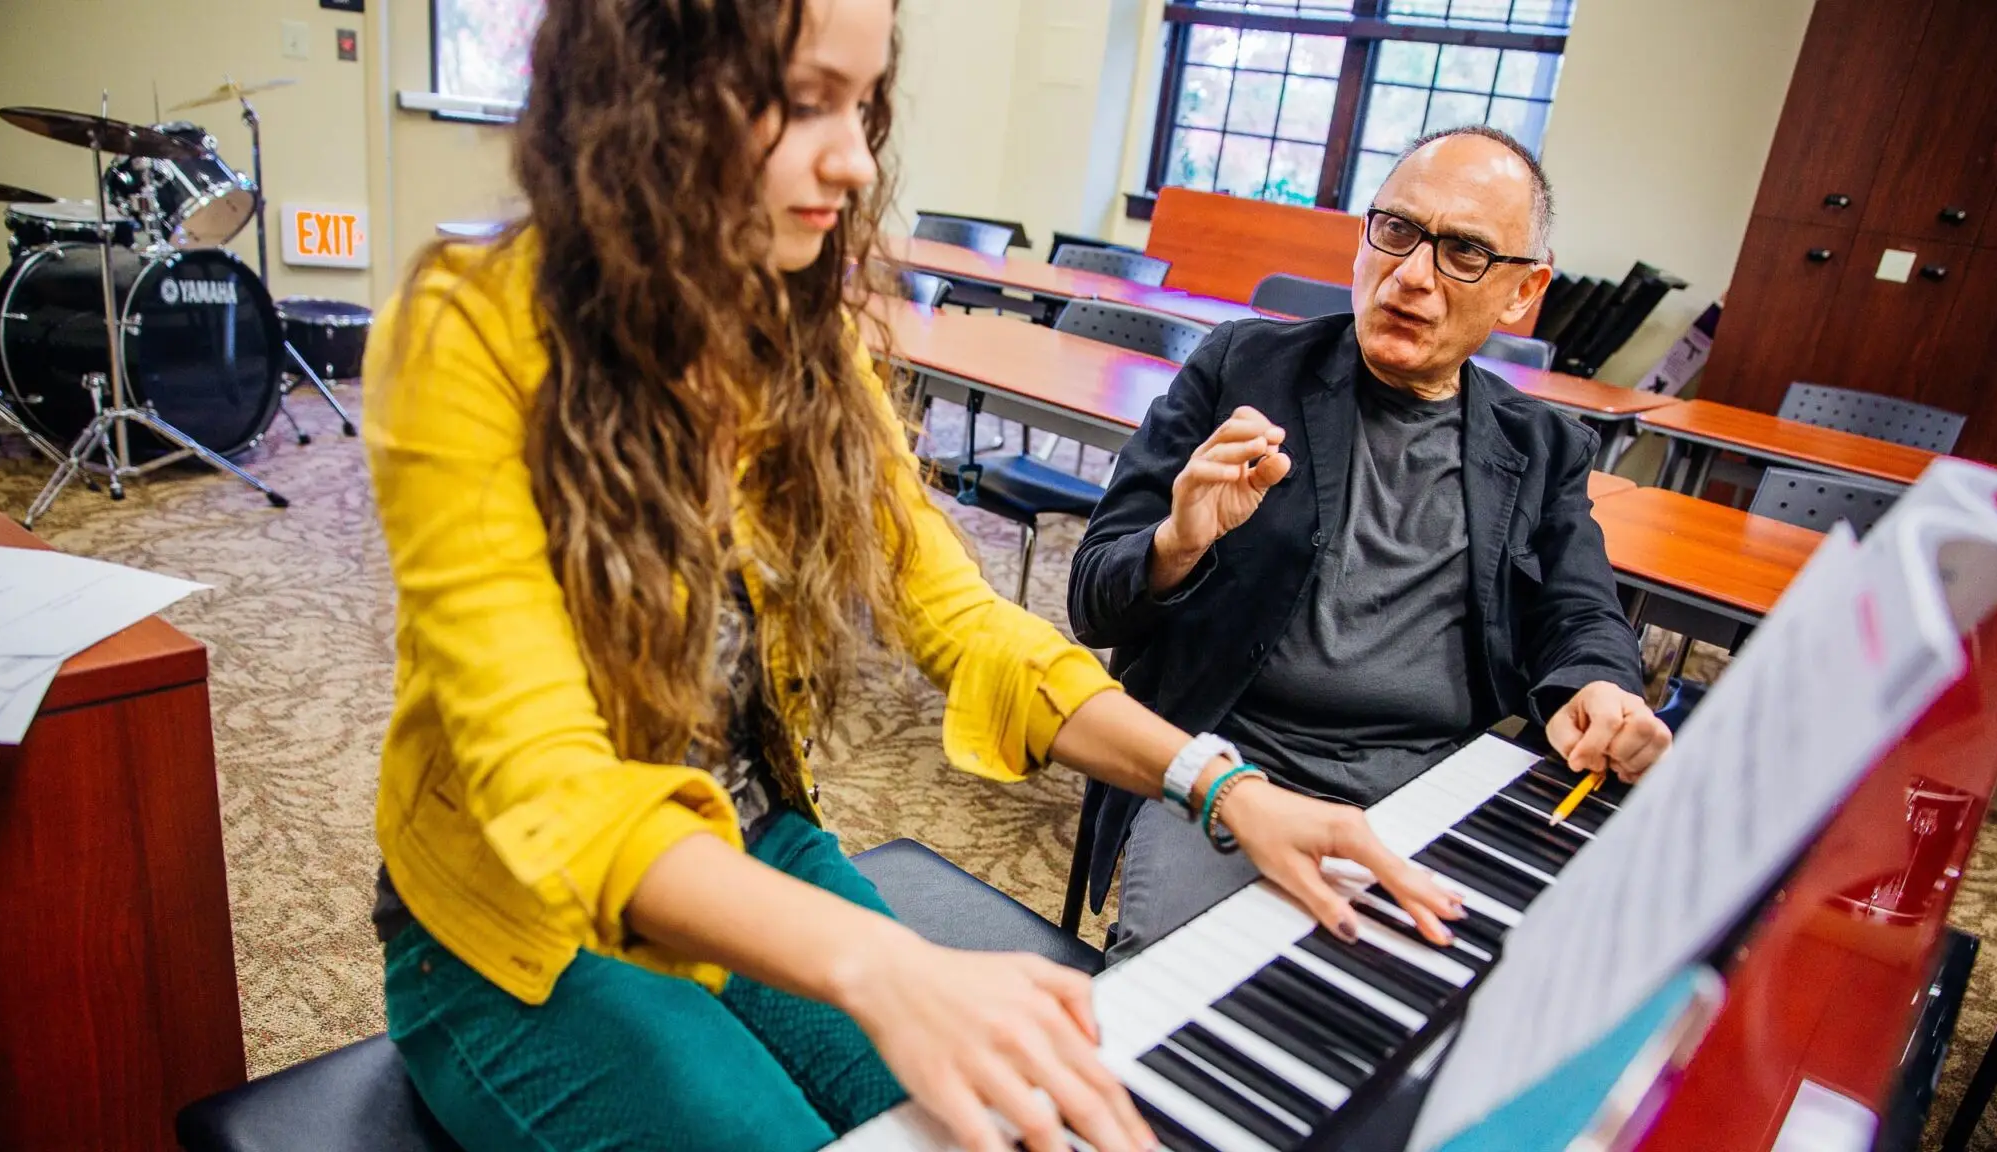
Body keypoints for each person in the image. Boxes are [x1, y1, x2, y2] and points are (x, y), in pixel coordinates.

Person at [360, 3, 1465, 1151]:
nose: (852, 157)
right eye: (801, 102)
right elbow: (551, 789)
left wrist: (1221, 788)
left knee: (1010, 1122)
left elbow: (958, 617)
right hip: (513, 927)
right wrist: (885, 968)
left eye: (860, 104)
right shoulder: (468, 331)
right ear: (646, 83)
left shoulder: (798, 333)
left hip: (751, 840)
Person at [1067, 126, 1673, 963]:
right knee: (1179, 995)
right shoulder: (1243, 369)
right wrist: (1175, 542)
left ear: (1522, 292)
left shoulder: (1540, 445)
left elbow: (1582, 610)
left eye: (1463, 252)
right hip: (1232, 760)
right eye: (1395, 231)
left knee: (1460, 1018)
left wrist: (1603, 685)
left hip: (1426, 783)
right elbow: (1092, 596)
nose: (1412, 275)